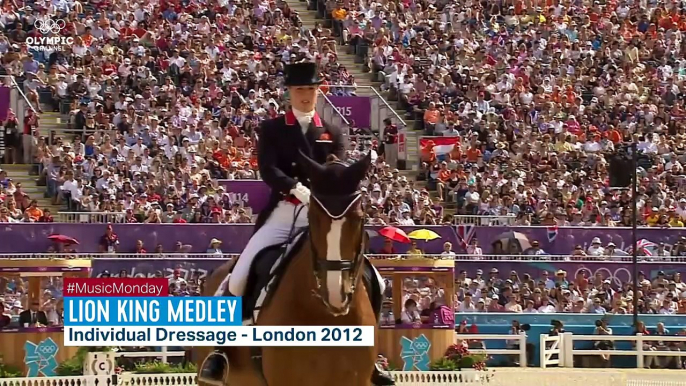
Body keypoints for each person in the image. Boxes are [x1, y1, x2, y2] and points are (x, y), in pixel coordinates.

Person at [200, 62, 394, 386]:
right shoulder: (274, 128)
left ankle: (371, 358)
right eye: (300, 90)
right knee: (241, 273)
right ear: (290, 92)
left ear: (320, 91)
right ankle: (220, 353)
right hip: (284, 209)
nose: (306, 95)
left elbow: (337, 167)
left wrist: (327, 188)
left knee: (374, 279)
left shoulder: (333, 129)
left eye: (311, 90)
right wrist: (295, 187)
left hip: (322, 213)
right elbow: (268, 170)